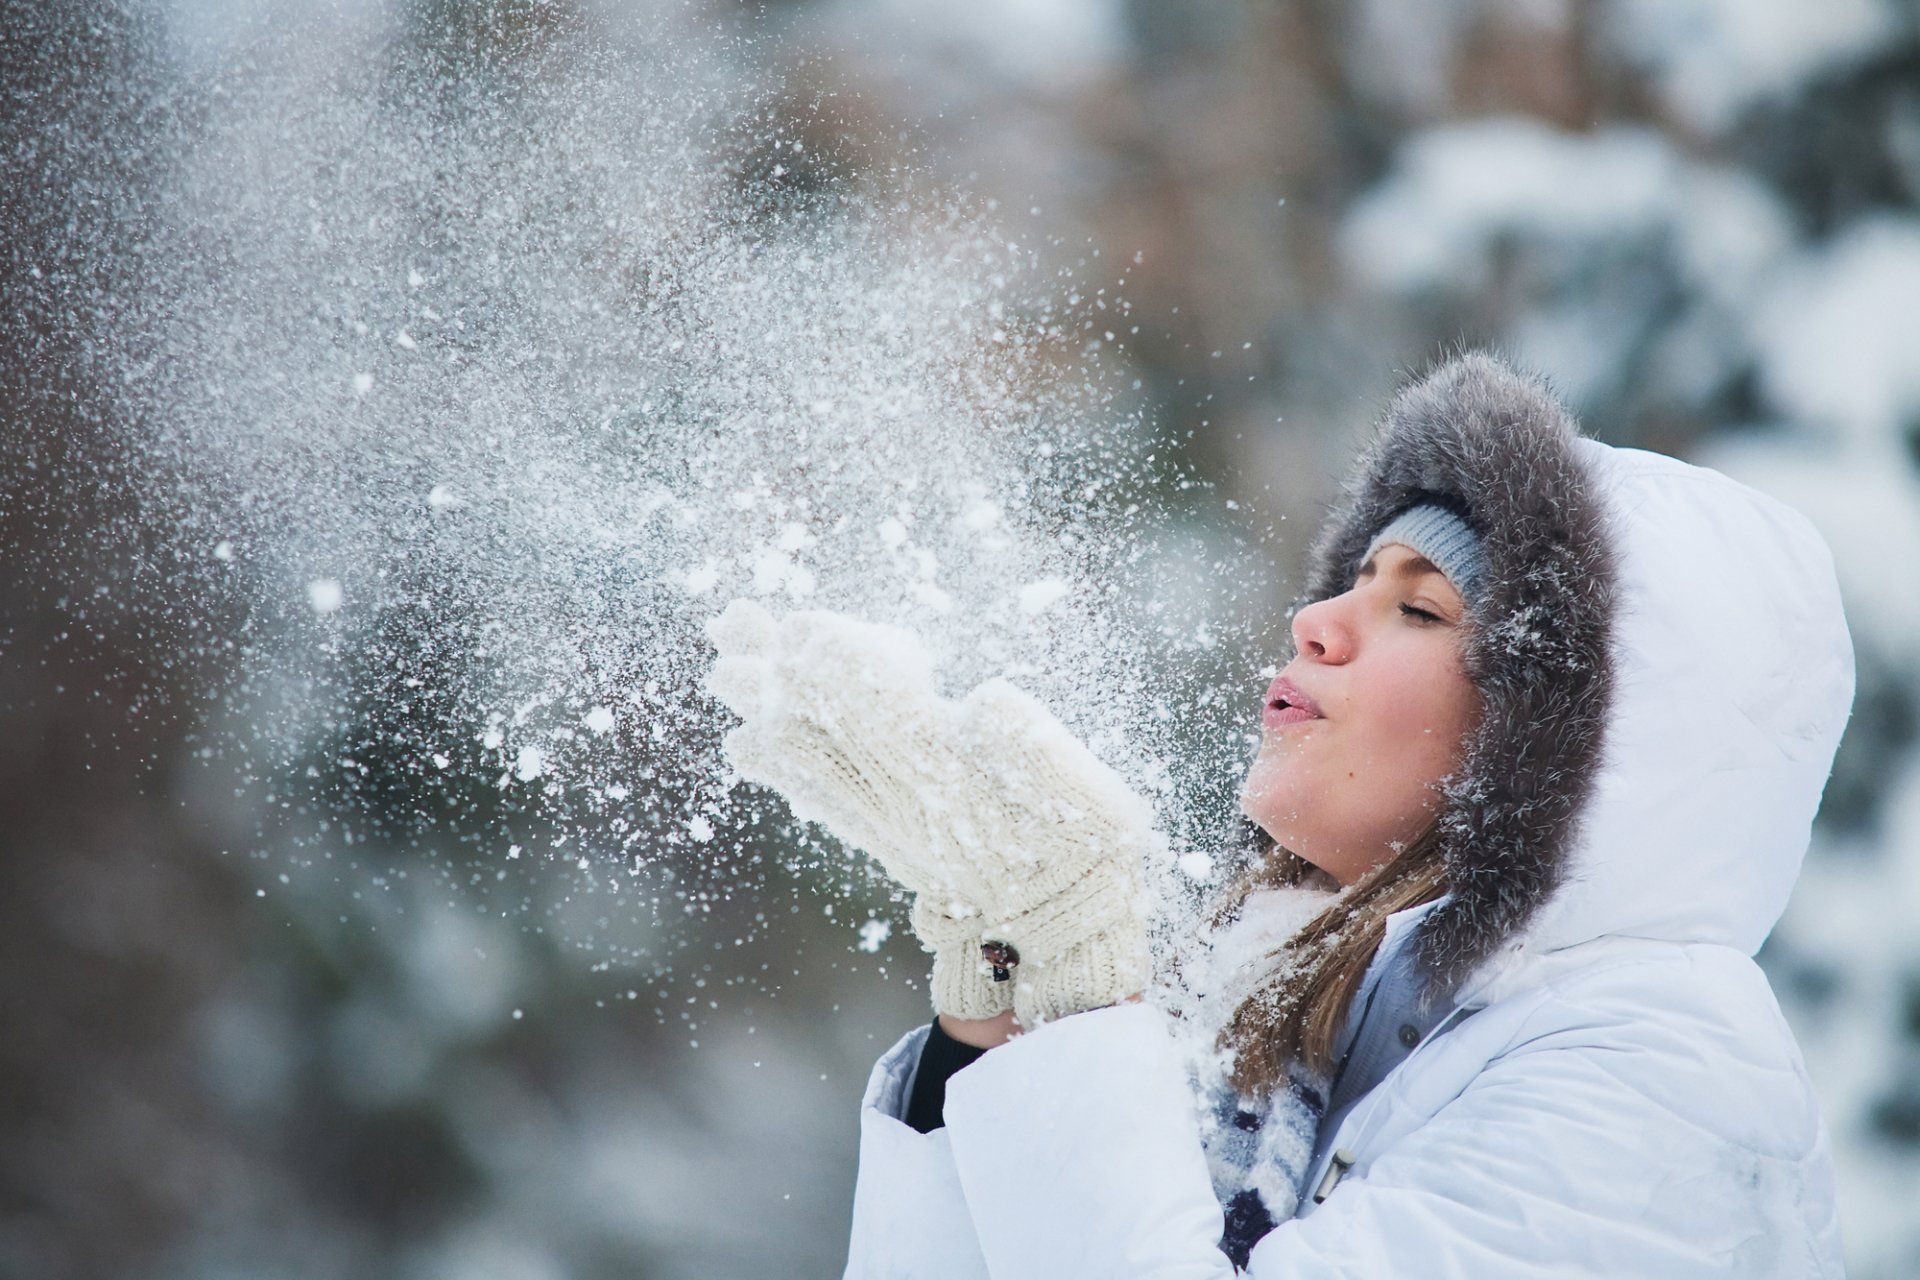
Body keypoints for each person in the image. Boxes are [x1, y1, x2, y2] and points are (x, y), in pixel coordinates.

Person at [705, 350, 1855, 1277]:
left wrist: (1081, 989)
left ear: (1557, 737)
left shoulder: (1654, 1079)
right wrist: (998, 1008)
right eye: (1354, 575)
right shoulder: (1318, 1022)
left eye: (1418, 606)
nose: (1317, 616)